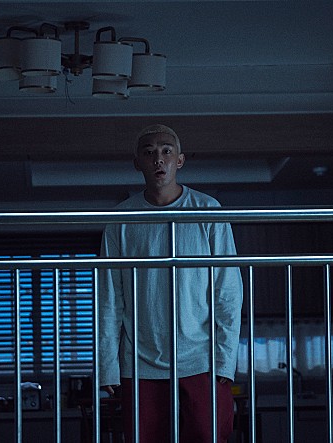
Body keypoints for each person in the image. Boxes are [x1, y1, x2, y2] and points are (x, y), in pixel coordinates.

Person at [98, 124, 244, 443]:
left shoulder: (207, 211)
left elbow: (228, 292)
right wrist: (107, 365)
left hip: (202, 357)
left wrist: (225, 359)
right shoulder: (120, 219)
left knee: (209, 436)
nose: (158, 159)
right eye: (149, 153)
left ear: (180, 160)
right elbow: (109, 298)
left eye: (166, 151)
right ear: (137, 162)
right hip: (140, 360)